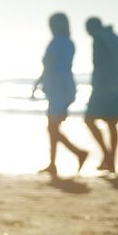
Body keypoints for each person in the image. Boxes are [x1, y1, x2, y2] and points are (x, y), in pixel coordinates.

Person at [31, 12, 88, 176]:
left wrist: (37, 83)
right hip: (65, 86)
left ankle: (75, 154)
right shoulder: (69, 42)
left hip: (58, 88)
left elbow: (49, 64)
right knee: (53, 127)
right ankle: (55, 162)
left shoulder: (56, 42)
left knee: (52, 127)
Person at [83, 17, 118, 173]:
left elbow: (99, 63)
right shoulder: (114, 38)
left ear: (91, 27)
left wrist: (97, 86)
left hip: (103, 88)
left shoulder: (99, 38)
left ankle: (107, 156)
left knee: (89, 119)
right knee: (111, 124)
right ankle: (111, 161)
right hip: (116, 87)